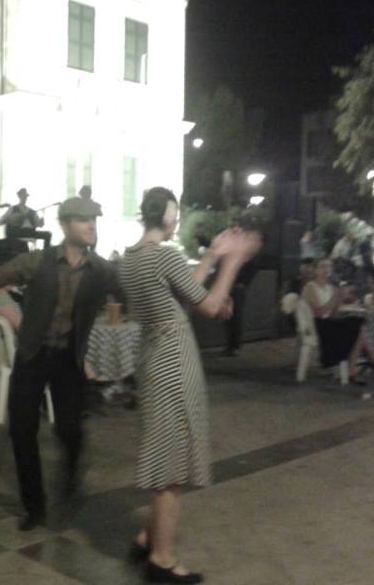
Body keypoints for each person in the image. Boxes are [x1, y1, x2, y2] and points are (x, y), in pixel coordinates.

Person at [0, 197, 118, 531]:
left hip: (68, 360)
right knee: (22, 429)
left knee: (70, 430)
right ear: (65, 225)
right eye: (84, 220)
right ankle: (34, 506)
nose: (91, 226)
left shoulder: (100, 269)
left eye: (94, 221)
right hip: (33, 355)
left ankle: (71, 478)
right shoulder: (37, 261)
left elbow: (132, 288)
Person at [117, 187, 261, 584]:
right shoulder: (165, 256)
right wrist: (233, 262)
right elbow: (210, 306)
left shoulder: (131, 258)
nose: (176, 220)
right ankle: (161, 562)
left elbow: (182, 298)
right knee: (173, 466)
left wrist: (212, 256)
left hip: (151, 357)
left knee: (165, 454)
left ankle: (148, 539)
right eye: (175, 213)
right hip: (174, 362)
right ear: (167, 215)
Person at [302, 258, 374, 380]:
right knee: (357, 325)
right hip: (317, 324)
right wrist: (335, 297)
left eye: (329, 266)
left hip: (329, 322)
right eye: (322, 266)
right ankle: (370, 360)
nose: (326, 270)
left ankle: (357, 365)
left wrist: (340, 299)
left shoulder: (331, 287)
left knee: (359, 322)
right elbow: (318, 313)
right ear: (316, 270)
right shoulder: (310, 287)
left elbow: (334, 315)